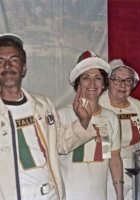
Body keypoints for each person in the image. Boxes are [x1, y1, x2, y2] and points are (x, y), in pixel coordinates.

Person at [0, 33, 97, 200]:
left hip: (50, 195)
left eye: (14, 59)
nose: (7, 66)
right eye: (0, 61)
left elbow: (61, 144)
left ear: (24, 68)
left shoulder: (43, 104)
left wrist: (84, 121)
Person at [58, 50, 124, 200]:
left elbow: (113, 158)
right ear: (78, 83)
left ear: (104, 84)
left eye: (98, 78)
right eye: (86, 78)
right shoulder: (61, 115)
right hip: (69, 195)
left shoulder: (110, 118)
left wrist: (119, 195)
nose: (92, 84)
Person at [99, 59, 140, 200]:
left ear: (133, 85)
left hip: (137, 170)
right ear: (108, 81)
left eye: (128, 81)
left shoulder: (139, 107)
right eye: (117, 80)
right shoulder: (98, 106)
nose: (122, 85)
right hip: (108, 173)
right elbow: (105, 149)